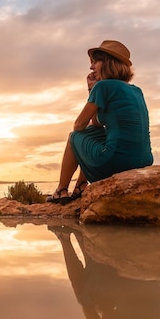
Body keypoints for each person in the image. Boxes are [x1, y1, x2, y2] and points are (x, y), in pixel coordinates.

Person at [47, 40, 153, 204]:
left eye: (95, 61)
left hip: (114, 162)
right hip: (143, 162)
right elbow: (97, 123)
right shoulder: (136, 90)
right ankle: (81, 186)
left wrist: (91, 89)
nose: (91, 67)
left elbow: (79, 125)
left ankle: (61, 190)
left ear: (108, 63)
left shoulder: (103, 86)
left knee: (74, 136)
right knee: (96, 133)